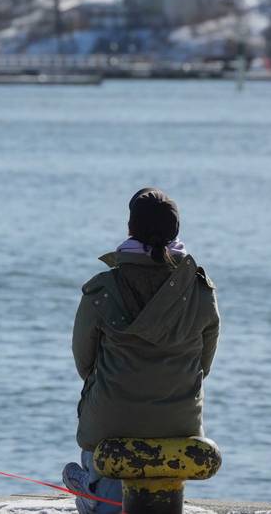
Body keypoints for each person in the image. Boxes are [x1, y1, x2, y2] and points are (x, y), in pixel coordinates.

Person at [62, 187, 220, 514]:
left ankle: (92, 492)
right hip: (179, 424)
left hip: (109, 425)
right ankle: (96, 492)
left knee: (105, 498)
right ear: (176, 231)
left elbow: (84, 362)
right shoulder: (201, 291)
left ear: (130, 228)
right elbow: (204, 364)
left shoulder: (103, 289)